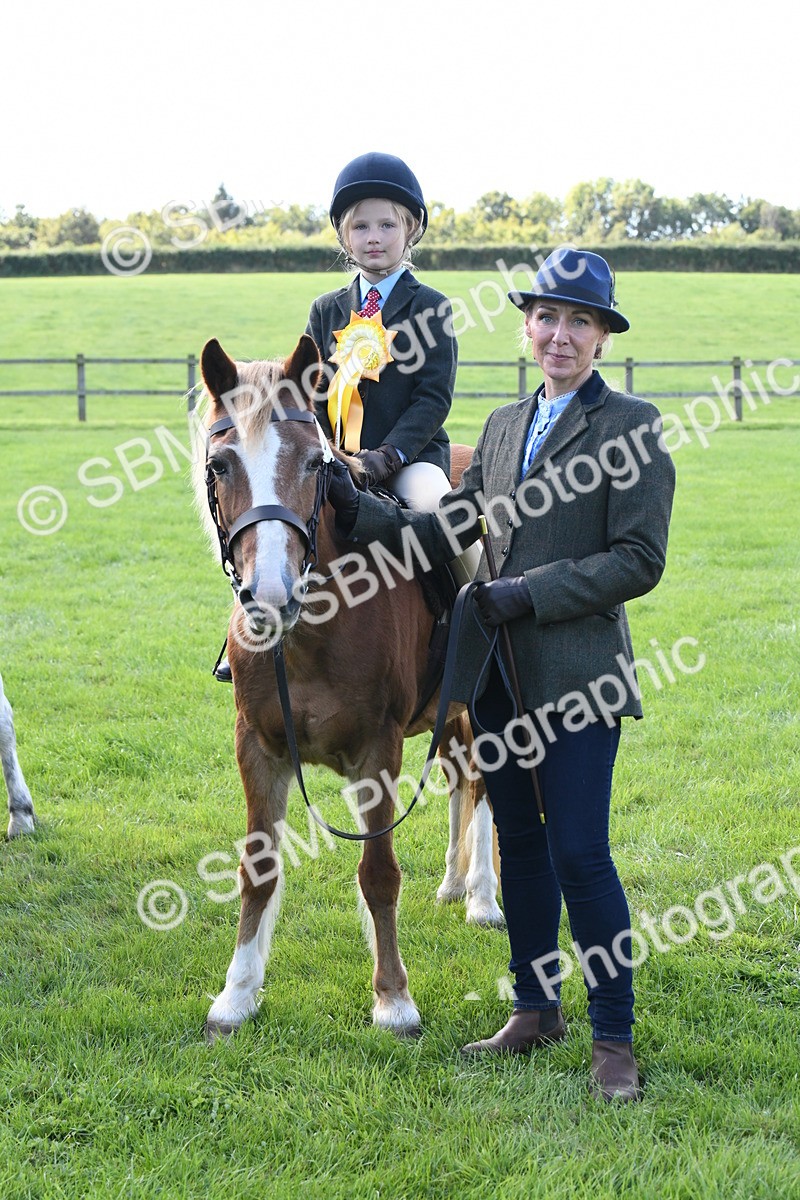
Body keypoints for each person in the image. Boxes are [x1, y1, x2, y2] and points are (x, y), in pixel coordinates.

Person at [325, 247, 676, 1103]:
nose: (560, 334)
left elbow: (639, 559)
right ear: (527, 328)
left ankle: (613, 1037)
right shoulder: (504, 425)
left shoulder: (631, 426)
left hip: (578, 677)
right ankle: (534, 1007)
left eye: (580, 322)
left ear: (601, 337)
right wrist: (352, 505)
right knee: (518, 847)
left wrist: (525, 592)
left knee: (581, 854)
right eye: (547, 318)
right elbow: (450, 526)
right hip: (496, 682)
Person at [214, 151, 467, 682]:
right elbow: (310, 393)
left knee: (440, 507)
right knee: (273, 510)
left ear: (411, 229)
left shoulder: (432, 307)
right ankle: (249, 628)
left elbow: (432, 399)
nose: (374, 236)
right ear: (344, 236)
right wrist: (327, 451)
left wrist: (386, 456)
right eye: (361, 226)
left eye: (387, 224)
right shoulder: (326, 309)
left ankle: (473, 622)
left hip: (407, 458)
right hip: (333, 456)